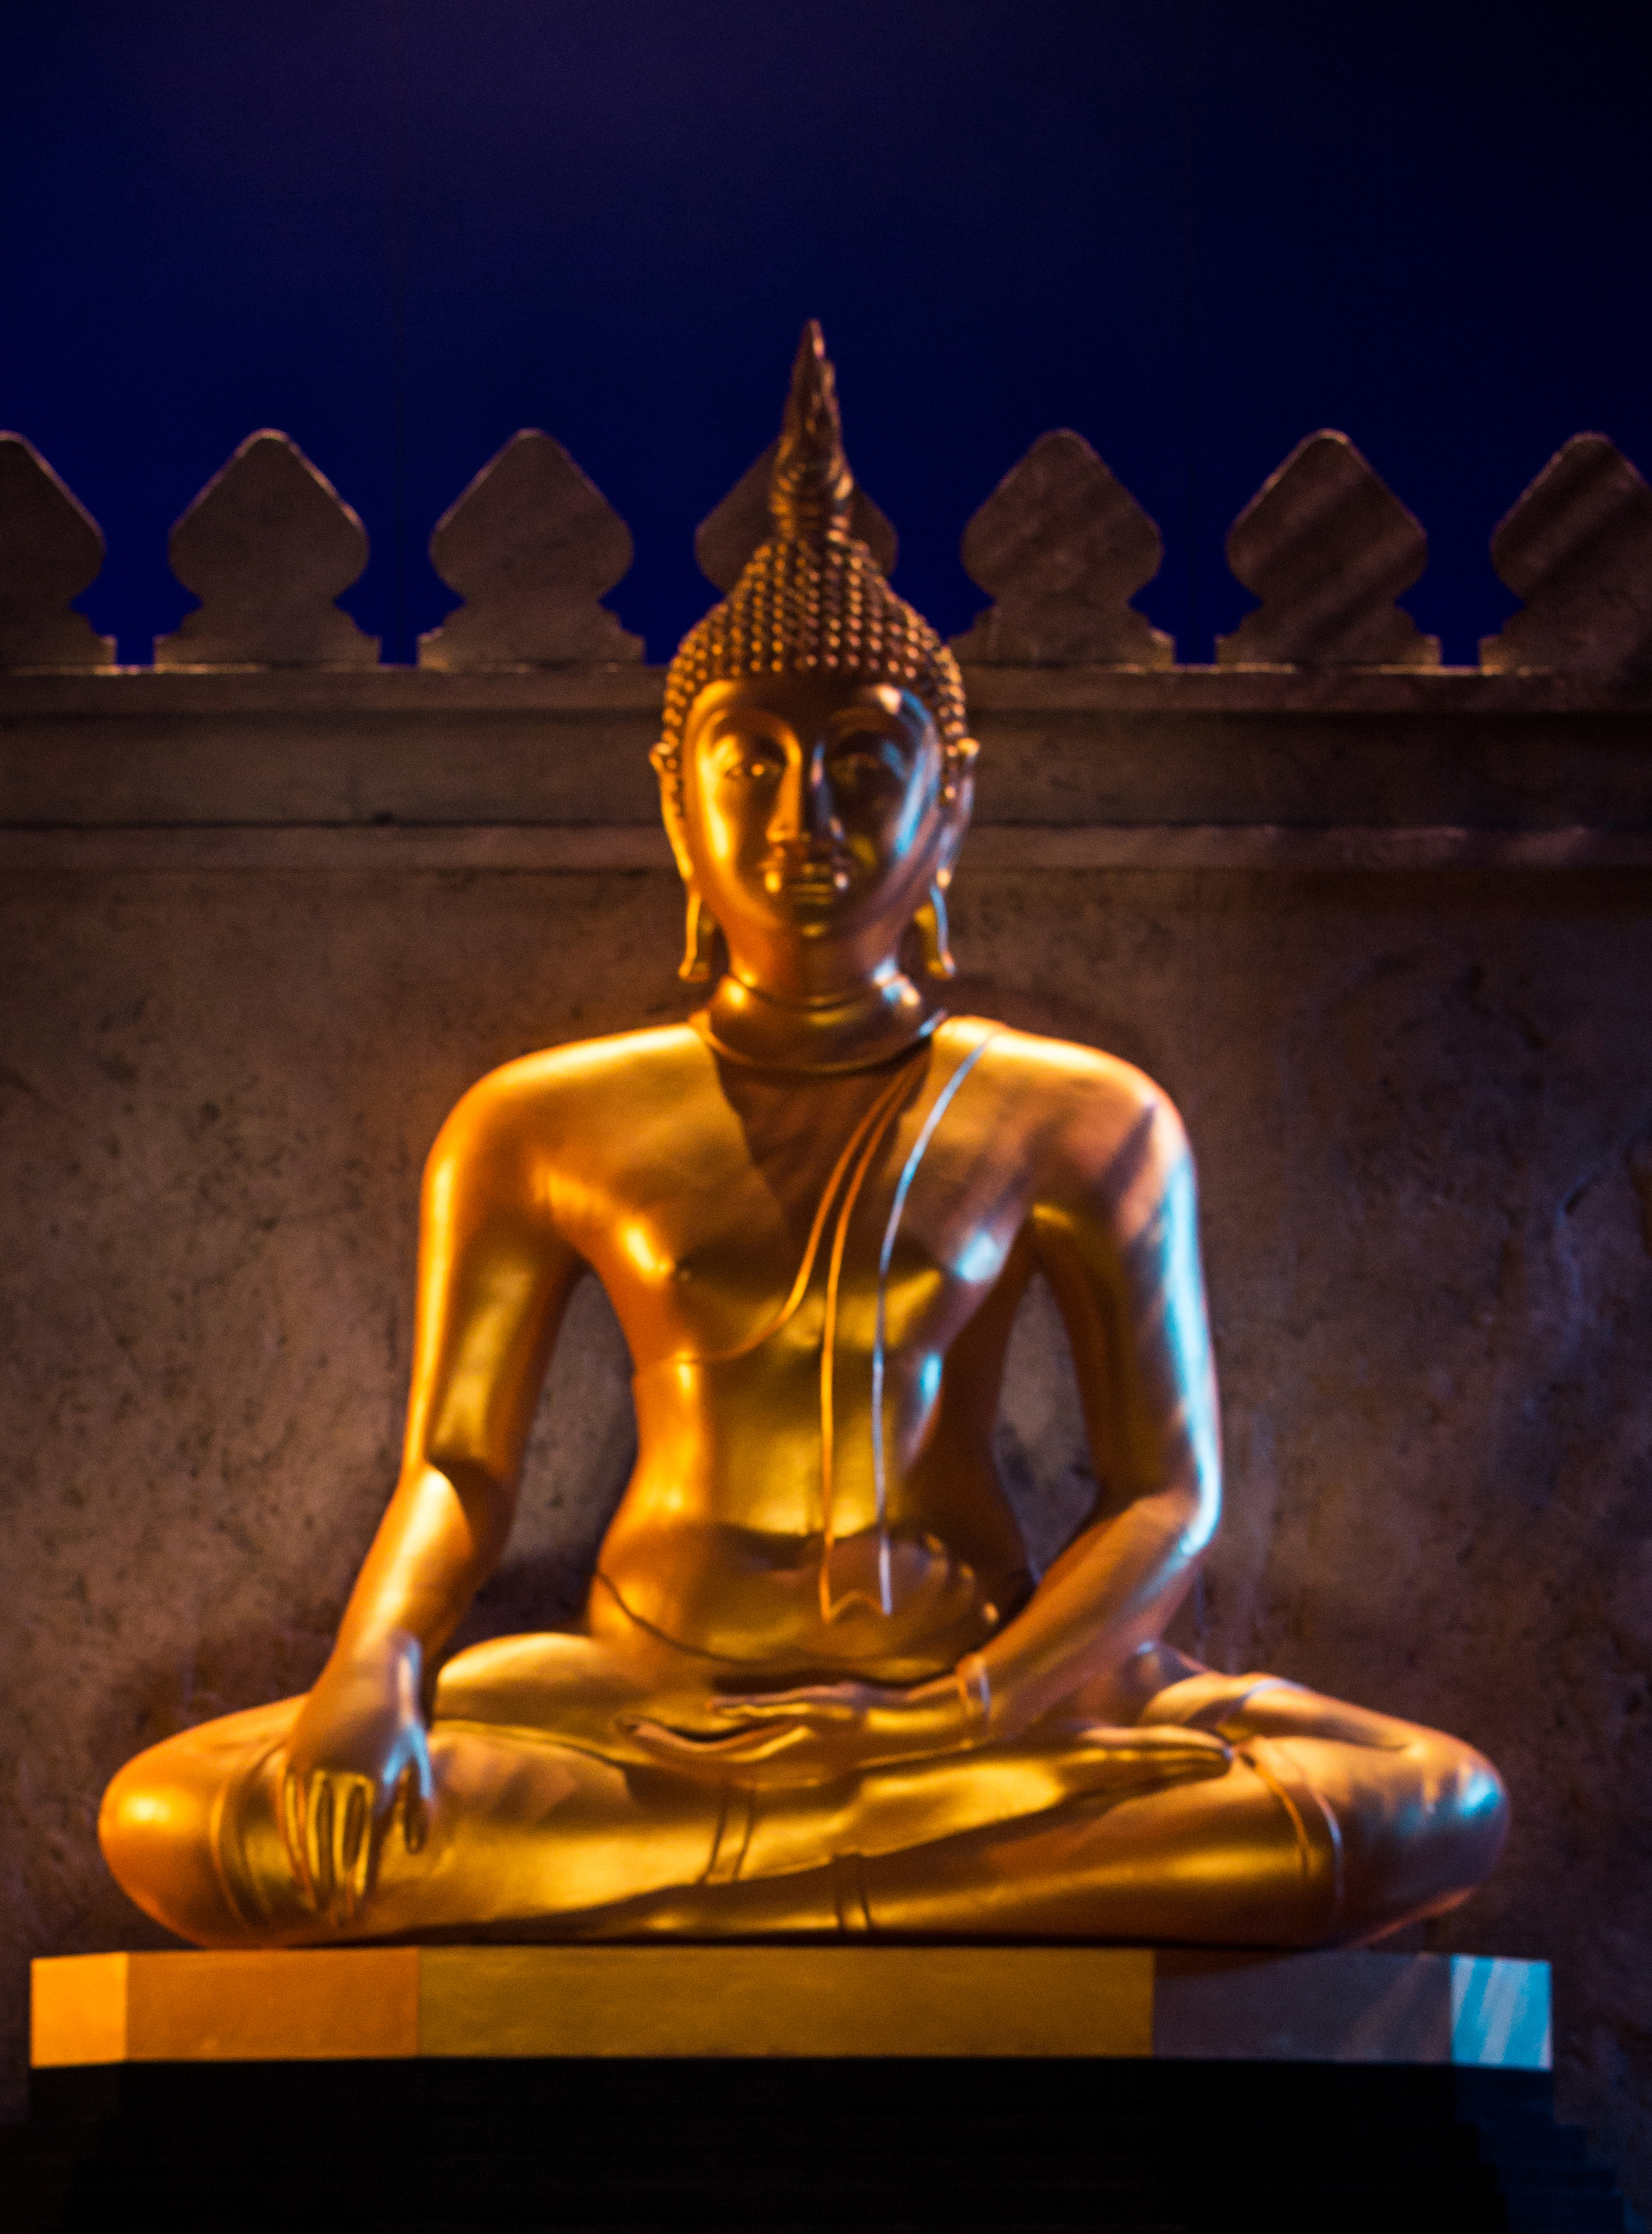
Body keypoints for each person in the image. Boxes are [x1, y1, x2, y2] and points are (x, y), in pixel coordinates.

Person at [98, 324, 1505, 1952]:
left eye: (860, 766)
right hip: (643, 1691)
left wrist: (966, 1712)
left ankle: (743, 1890)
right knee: (179, 1816)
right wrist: (371, 1674)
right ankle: (892, 1894)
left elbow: (1162, 1501)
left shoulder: (1081, 1113)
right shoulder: (537, 1118)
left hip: (979, 1693)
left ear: (950, 798)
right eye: (748, 765)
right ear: (669, 801)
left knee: (1434, 1798)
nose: (800, 824)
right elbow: (454, 1468)